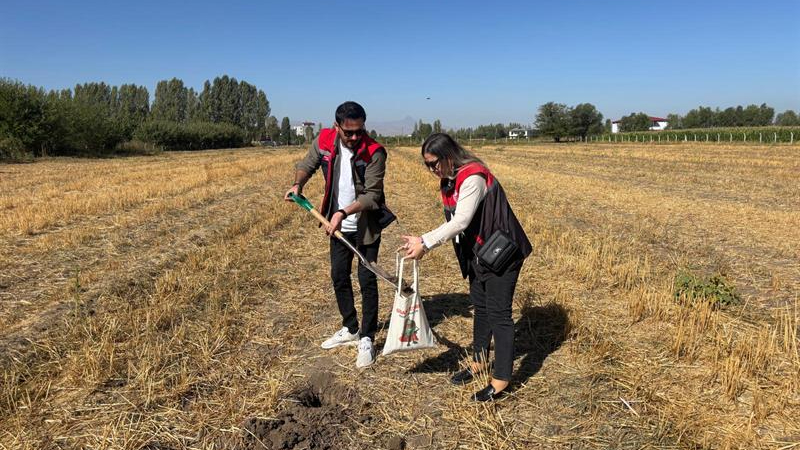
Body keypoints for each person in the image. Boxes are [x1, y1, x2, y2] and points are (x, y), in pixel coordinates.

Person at [401, 133, 532, 401]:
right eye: (427, 165)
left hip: (502, 252)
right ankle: (479, 361)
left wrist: (425, 242)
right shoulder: (450, 180)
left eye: (434, 163)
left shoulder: (473, 177)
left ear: (449, 157)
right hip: (481, 254)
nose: (431, 169)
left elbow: (461, 221)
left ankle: (502, 379)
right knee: (481, 308)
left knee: (499, 314)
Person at [284, 101, 389, 368]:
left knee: (367, 279)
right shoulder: (324, 141)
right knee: (339, 276)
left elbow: (373, 195)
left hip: (365, 227)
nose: (354, 137)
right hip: (337, 226)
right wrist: (298, 185)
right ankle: (351, 327)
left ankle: (367, 337)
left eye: (359, 131)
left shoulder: (374, 152)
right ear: (337, 126)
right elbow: (307, 164)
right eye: (348, 132)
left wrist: (342, 212)